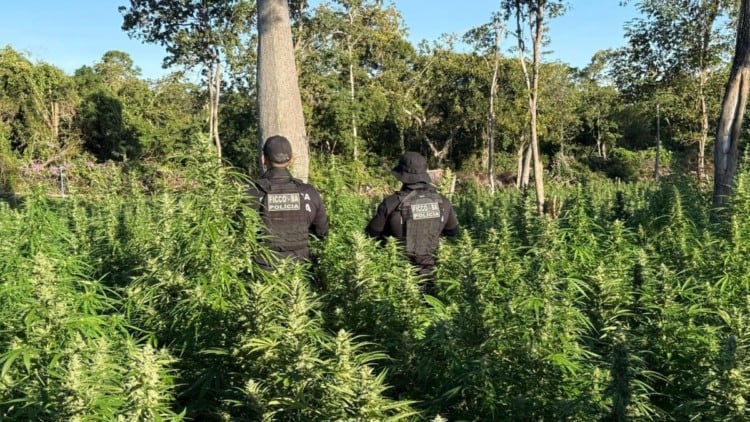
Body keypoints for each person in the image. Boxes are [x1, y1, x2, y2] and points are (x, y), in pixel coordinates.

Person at [365, 151, 458, 294]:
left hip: (399, 276)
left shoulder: (391, 203)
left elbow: (370, 235)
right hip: (434, 275)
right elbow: (452, 232)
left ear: (402, 176)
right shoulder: (443, 202)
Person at [248, 135, 329, 267]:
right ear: (291, 160)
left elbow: (239, 234)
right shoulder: (308, 192)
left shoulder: (251, 192)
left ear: (264, 159)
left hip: (263, 271)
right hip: (300, 269)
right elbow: (322, 231)